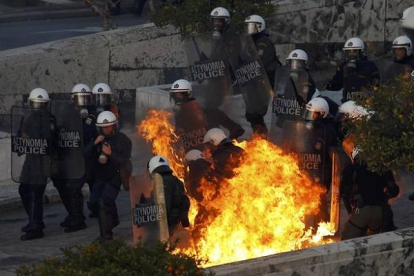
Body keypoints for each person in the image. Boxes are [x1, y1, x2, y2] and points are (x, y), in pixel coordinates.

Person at [84, 111, 132, 242]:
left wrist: (111, 153)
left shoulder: (122, 139)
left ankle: (106, 235)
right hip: (101, 176)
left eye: (109, 126)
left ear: (114, 126)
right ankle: (113, 218)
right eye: (103, 127)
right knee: (93, 203)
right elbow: (85, 153)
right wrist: (94, 143)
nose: (106, 129)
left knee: (104, 202)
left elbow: (125, 160)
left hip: (115, 175)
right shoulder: (98, 138)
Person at [18, 88, 56, 240]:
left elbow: (47, 139)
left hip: (42, 160)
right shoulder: (28, 117)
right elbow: (21, 133)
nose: (38, 107)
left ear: (45, 104)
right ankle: (33, 220)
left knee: (35, 192)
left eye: (41, 104)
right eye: (36, 104)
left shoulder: (49, 119)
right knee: (24, 189)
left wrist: (30, 136)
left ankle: (36, 228)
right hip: (30, 159)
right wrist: (19, 142)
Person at [59, 84, 97, 232]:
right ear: (73, 99)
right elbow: (64, 129)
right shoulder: (68, 112)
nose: (83, 101)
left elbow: (90, 131)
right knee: (69, 186)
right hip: (71, 155)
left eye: (85, 98)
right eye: (80, 98)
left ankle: (78, 220)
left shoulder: (92, 113)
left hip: (86, 156)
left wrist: (84, 121)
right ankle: (74, 215)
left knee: (74, 186)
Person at [340, 147, 399, 240]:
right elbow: (394, 191)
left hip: (362, 209)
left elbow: (344, 194)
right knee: (373, 240)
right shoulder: (382, 168)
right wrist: (383, 197)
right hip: (379, 211)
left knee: (346, 240)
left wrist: (350, 211)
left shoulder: (352, 169)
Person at [170, 79, 244, 151]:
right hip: (195, 160)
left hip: (216, 159)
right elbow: (176, 143)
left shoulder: (210, 112)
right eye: (175, 96)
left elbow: (237, 129)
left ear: (189, 95)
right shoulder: (178, 118)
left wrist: (224, 145)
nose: (178, 100)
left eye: (180, 95)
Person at [243, 15, 281, 135]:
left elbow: (260, 62)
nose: (249, 30)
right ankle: (259, 139)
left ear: (260, 27)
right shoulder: (251, 43)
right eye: (248, 27)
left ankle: (262, 140)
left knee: (256, 112)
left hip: (265, 83)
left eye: (252, 27)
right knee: (252, 114)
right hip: (255, 83)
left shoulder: (264, 43)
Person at [324, 37, 380, 103]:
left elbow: (376, 84)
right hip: (348, 102)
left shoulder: (369, 65)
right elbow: (338, 83)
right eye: (349, 51)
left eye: (354, 51)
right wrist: (330, 85)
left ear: (361, 51)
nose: (351, 53)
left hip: (365, 102)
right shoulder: (344, 65)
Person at [147, 155, 190, 236]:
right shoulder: (176, 180)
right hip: (175, 220)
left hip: (167, 222)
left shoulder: (163, 181)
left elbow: (164, 205)